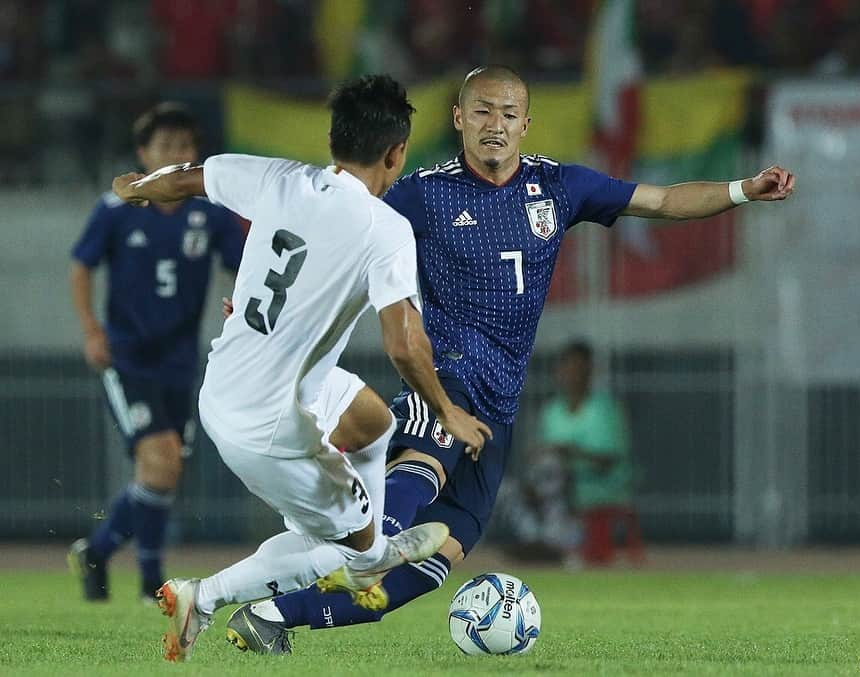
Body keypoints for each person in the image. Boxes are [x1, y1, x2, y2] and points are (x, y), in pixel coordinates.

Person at [223, 64, 796, 652]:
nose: (495, 124)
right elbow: (332, 220)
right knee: (419, 473)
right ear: (459, 119)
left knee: (443, 553)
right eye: (482, 111)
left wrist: (742, 191)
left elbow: (665, 200)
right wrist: (266, 301)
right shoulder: (422, 191)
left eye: (507, 113)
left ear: (526, 122)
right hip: (445, 374)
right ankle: (366, 545)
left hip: (501, 396)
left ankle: (271, 615)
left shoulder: (559, 187)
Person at [109, 74, 492, 662]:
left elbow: (187, 177)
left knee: (373, 422)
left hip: (230, 384)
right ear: (396, 153)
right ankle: (206, 596)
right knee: (353, 556)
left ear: (335, 138)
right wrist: (448, 413)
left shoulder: (279, 178)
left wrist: (136, 187)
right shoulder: (385, 228)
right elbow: (404, 345)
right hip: (269, 424)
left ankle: (356, 519)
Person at [68, 103, 246, 603]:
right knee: (160, 460)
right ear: (144, 154)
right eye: (164, 147)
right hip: (127, 356)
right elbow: (81, 266)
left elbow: (243, 267)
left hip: (180, 359)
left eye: (183, 147)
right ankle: (151, 583)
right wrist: (91, 329)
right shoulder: (115, 209)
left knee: (165, 468)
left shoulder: (208, 212)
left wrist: (247, 307)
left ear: (196, 154)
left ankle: (98, 550)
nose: (174, 155)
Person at [537, 340, 638, 566]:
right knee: (512, 491)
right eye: (567, 367)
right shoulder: (552, 411)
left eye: (578, 368)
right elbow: (541, 455)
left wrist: (571, 453)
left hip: (599, 490)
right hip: (557, 492)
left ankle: (556, 543)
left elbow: (608, 461)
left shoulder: (605, 409)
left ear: (590, 371)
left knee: (553, 469)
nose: (572, 374)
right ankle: (549, 540)